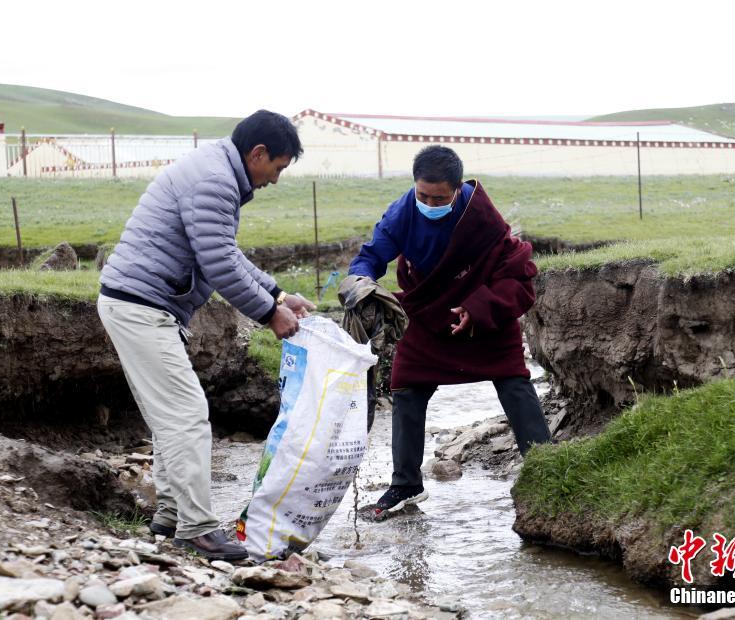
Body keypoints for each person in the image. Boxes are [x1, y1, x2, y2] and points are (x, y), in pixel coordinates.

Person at [98, 110, 315, 560]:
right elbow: (219, 266)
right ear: (258, 154)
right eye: (277, 168)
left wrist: (277, 293)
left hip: (145, 304)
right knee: (187, 413)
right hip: (141, 307)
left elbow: (225, 253)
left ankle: (171, 515)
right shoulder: (215, 180)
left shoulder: (216, 168)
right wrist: (269, 314)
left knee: (170, 416)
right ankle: (197, 530)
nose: (275, 180)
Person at [347, 146, 552, 517]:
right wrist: (360, 282)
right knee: (406, 386)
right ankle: (406, 485)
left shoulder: (480, 215)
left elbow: (515, 273)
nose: (429, 203)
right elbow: (371, 256)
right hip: (428, 312)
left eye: (439, 198)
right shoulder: (402, 212)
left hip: (483, 311)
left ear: (457, 190)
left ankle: (546, 470)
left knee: (513, 381)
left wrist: (478, 308)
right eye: (422, 195)